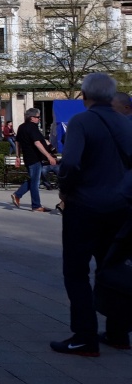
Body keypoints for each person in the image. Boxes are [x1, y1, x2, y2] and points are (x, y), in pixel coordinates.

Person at [50, 72, 132, 356]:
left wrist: (65, 189)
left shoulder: (81, 121)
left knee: (76, 272)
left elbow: (71, 162)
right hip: (120, 208)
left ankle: (85, 336)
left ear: (84, 96)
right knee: (113, 268)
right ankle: (118, 332)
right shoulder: (125, 123)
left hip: (85, 206)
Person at [12, 108, 55, 213]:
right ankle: (36, 205)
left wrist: (18, 156)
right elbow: (37, 143)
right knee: (35, 182)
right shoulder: (32, 127)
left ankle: (18, 195)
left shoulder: (21, 127)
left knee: (34, 179)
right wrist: (48, 156)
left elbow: (17, 142)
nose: (39, 119)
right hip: (35, 158)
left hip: (27, 158)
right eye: (37, 117)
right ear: (31, 118)